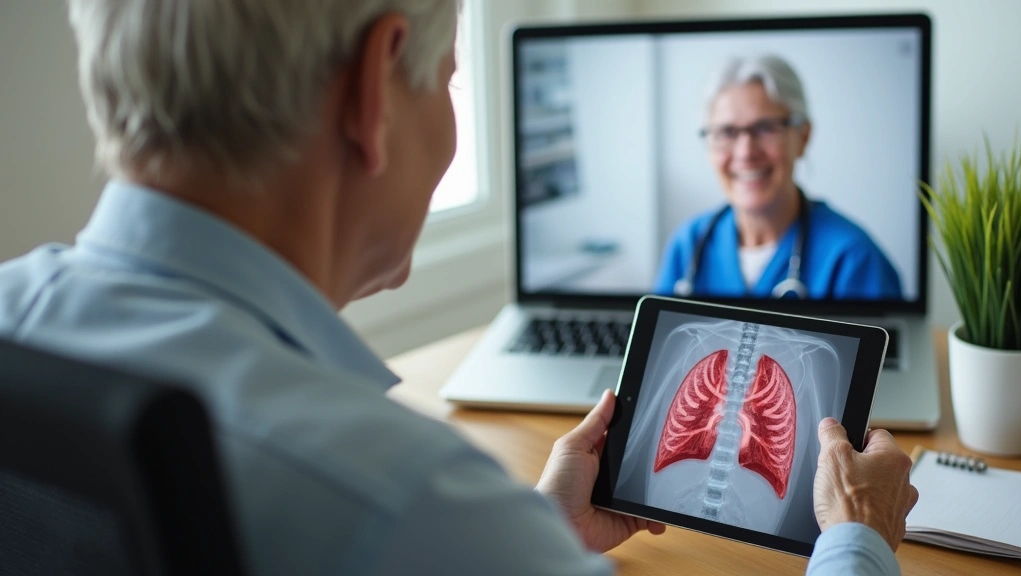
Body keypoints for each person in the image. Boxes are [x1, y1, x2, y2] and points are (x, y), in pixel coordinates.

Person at [0, 2, 916, 574]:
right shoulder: (416, 499)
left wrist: (533, 531)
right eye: (444, 80)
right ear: (372, 89)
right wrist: (859, 540)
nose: (744, 152)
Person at [654, 55, 903, 300]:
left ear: (803, 137)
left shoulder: (852, 258)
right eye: (727, 132)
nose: (746, 153)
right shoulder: (687, 244)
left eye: (765, 128)